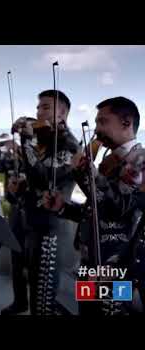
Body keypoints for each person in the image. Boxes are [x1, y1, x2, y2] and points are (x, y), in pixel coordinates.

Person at [43, 96, 144, 315]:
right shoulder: (109, 161)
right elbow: (99, 212)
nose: (97, 130)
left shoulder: (140, 161)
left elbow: (119, 207)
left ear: (126, 123)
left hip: (118, 270)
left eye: (103, 122)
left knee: (109, 312)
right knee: (87, 312)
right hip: (91, 265)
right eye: (96, 123)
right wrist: (63, 207)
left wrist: (85, 170)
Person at [12, 90, 80, 315]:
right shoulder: (44, 141)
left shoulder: (69, 145)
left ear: (62, 114)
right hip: (29, 221)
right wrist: (20, 188)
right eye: (38, 107)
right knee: (28, 280)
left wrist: (26, 140)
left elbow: (44, 176)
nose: (39, 112)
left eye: (46, 107)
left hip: (50, 228)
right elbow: (32, 181)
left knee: (43, 294)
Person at [0, 120, 35, 315]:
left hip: (34, 213)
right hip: (16, 212)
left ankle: (38, 304)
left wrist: (23, 149)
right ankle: (20, 301)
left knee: (34, 262)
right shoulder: (11, 157)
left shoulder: (35, 156)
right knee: (16, 259)